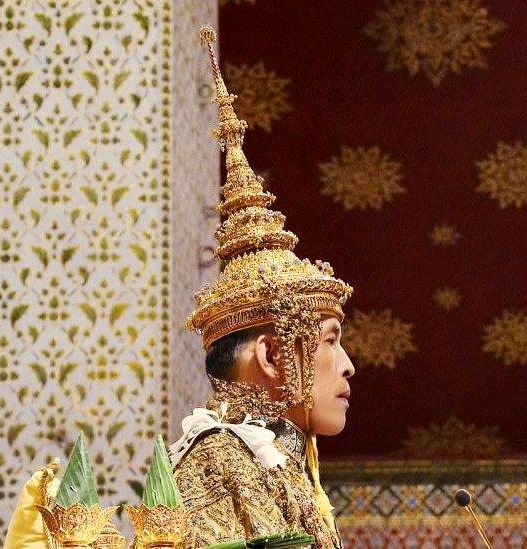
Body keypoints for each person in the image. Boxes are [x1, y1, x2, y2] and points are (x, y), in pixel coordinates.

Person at [167, 27, 356, 549]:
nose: (347, 364)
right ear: (273, 354)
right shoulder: (220, 461)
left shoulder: (279, 461)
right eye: (330, 338)